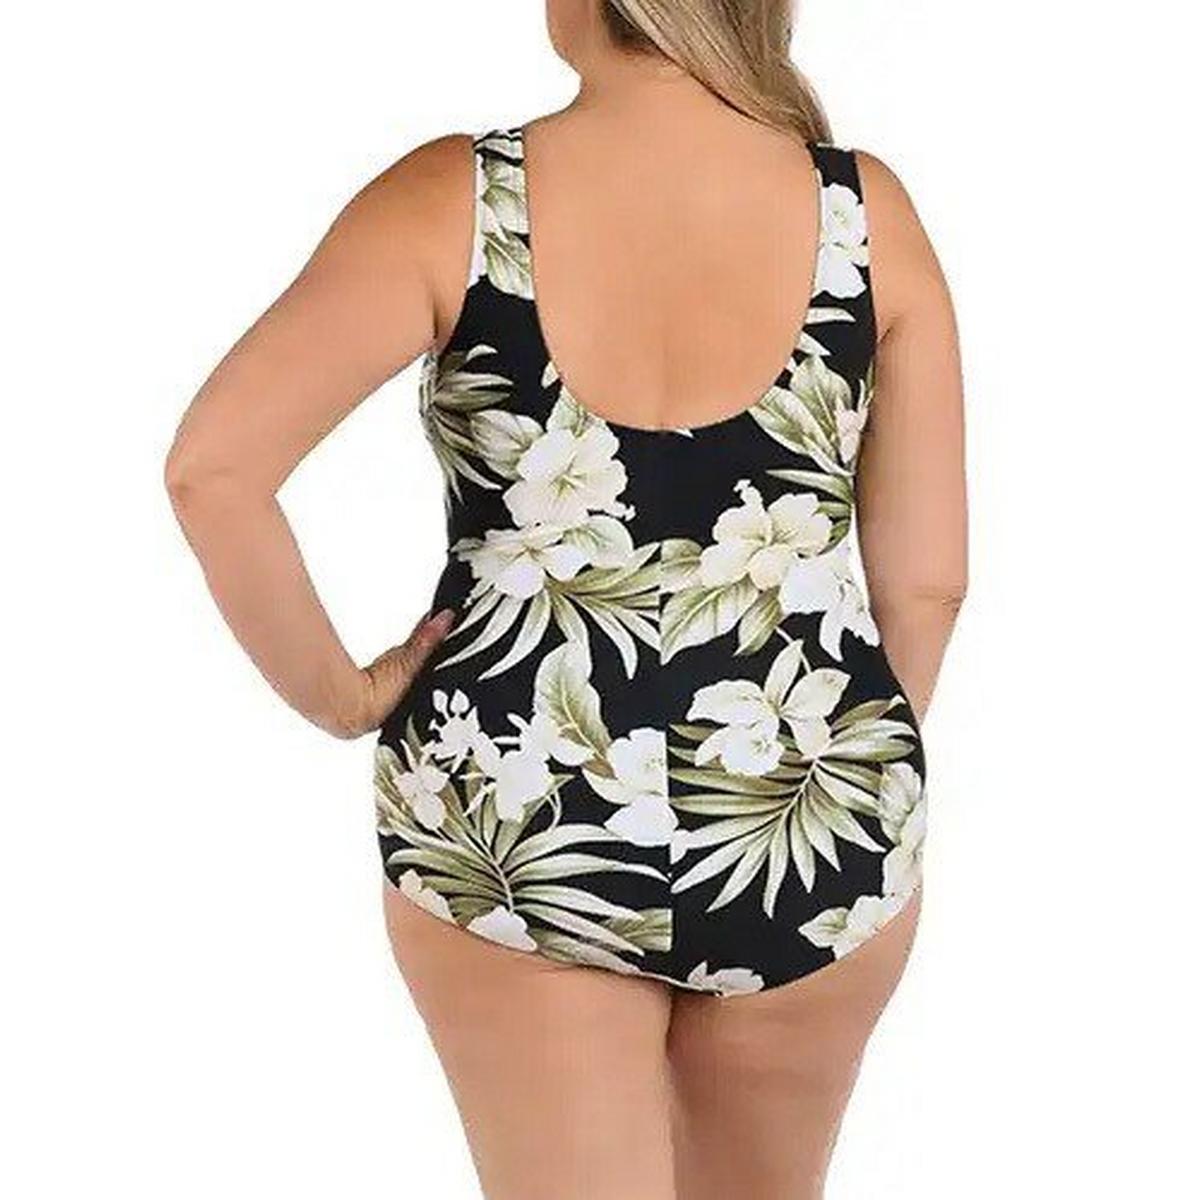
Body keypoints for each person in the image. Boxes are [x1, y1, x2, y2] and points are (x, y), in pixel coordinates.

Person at [165, 2, 966, 1196]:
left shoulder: (459, 198)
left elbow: (214, 470)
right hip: (806, 819)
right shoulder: (863, 213)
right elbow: (929, 582)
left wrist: (343, 696)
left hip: (517, 815)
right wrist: (843, 771)